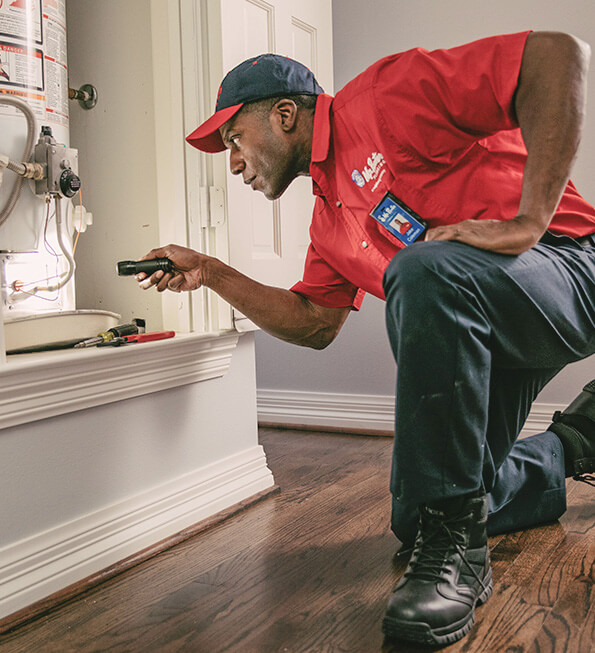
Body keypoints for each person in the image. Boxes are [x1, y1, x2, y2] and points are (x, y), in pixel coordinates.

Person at [136, 31, 595, 646]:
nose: (235, 162)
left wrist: (527, 221)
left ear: (285, 114)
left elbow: (557, 55)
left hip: (571, 263)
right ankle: (572, 445)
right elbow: (313, 323)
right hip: (487, 322)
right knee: (418, 512)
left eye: (234, 139)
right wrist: (212, 273)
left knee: (424, 266)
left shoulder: (385, 96)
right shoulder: (328, 220)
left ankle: (458, 559)